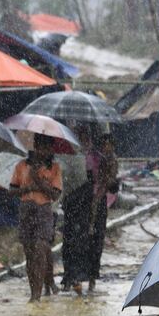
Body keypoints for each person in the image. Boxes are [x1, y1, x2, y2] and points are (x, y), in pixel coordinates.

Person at [11, 134, 63, 302]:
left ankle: (36, 295)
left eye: (47, 148)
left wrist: (39, 183)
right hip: (26, 210)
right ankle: (34, 288)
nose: (43, 151)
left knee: (41, 248)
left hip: (44, 211)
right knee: (29, 253)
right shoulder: (21, 166)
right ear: (35, 147)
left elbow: (55, 194)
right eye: (41, 147)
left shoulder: (54, 168)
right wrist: (28, 188)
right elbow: (12, 190)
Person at [60, 125, 92, 294]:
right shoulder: (69, 158)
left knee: (78, 242)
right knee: (70, 242)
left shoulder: (88, 159)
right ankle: (70, 275)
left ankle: (77, 276)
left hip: (82, 205)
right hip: (72, 205)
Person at [86, 132, 118, 292]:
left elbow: (110, 183)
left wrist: (99, 193)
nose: (106, 148)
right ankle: (86, 275)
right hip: (87, 202)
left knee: (97, 240)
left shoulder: (111, 161)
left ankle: (92, 276)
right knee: (88, 240)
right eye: (104, 145)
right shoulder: (93, 158)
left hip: (99, 204)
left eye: (109, 145)